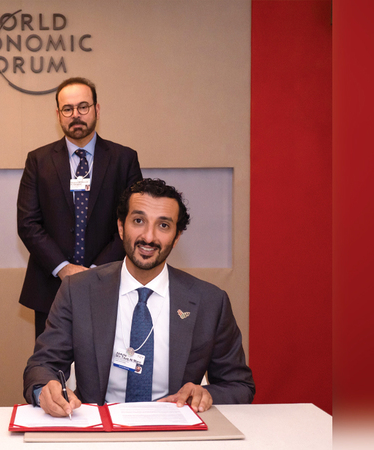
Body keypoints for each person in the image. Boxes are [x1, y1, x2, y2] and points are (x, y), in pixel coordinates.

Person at [23, 178, 254, 417]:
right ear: (121, 227)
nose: (149, 237)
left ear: (176, 237)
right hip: (99, 427)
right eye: (138, 221)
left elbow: (239, 385)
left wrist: (206, 394)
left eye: (163, 225)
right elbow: (42, 366)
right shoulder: (78, 290)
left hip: (176, 428)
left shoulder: (210, 302)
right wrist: (45, 390)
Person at [17, 77, 142, 339]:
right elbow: (28, 223)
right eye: (68, 109)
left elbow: (134, 222)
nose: (76, 115)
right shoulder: (38, 160)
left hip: (110, 283)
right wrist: (64, 268)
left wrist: (96, 272)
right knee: (51, 361)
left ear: (97, 109)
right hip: (51, 286)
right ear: (58, 115)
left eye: (83, 107)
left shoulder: (124, 159)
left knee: (105, 360)